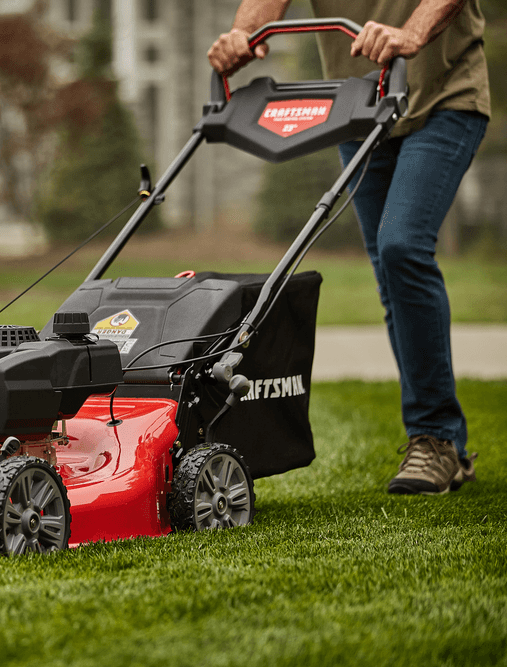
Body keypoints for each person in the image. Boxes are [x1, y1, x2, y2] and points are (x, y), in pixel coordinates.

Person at [208, 0, 490, 495]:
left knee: (402, 246)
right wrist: (243, 34)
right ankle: (437, 440)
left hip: (445, 95)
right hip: (361, 105)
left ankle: (436, 437)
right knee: (390, 271)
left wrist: (411, 34)